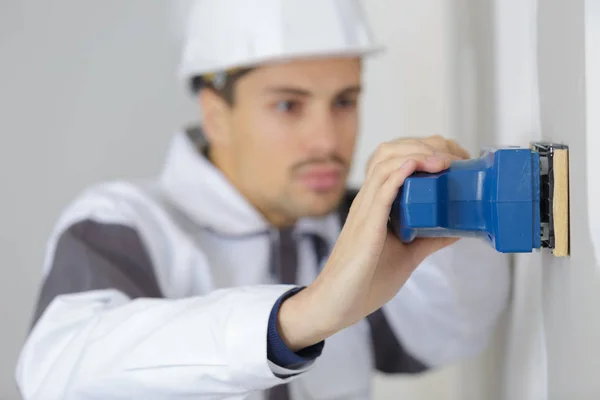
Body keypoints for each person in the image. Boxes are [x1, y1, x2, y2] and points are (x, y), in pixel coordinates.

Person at [15, 0, 510, 399]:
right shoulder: (127, 224)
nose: (326, 140)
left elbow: (448, 337)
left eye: (344, 101)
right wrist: (301, 317)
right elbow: (56, 373)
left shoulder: (358, 225)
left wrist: (457, 218)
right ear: (216, 114)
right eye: (288, 105)